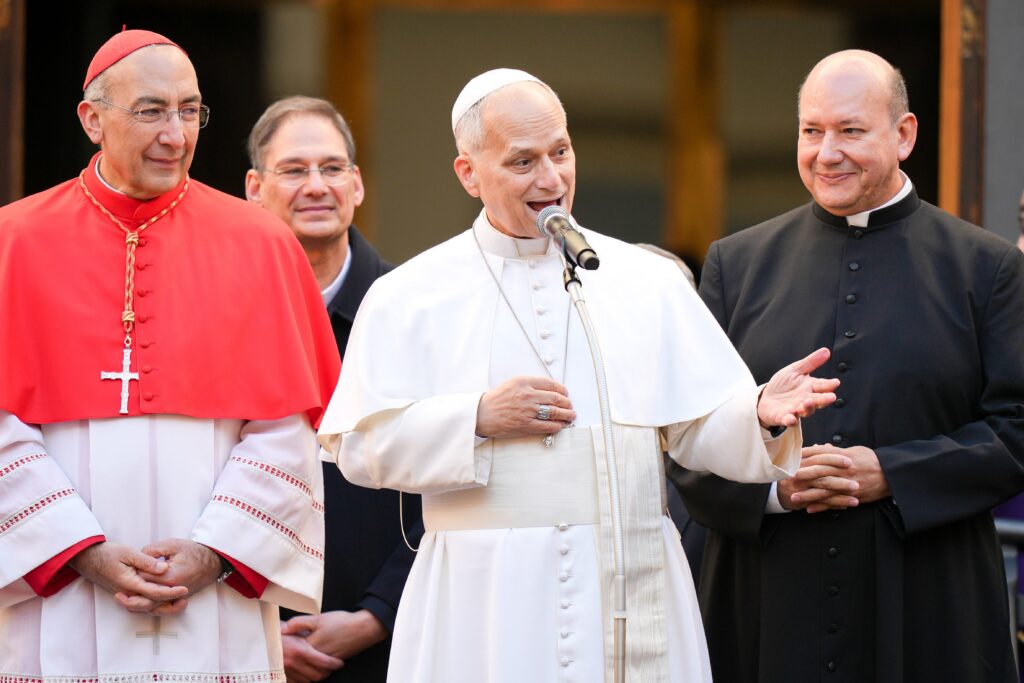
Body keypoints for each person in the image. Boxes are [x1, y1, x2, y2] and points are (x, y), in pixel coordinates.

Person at [317, 68, 840, 682]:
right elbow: (358, 448)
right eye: (522, 162)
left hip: (627, 580)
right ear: (469, 173)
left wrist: (755, 414)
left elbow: (695, 428)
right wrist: (475, 419)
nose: (552, 179)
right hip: (484, 601)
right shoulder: (408, 295)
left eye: (560, 152)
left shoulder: (644, 279)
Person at [671, 49, 1024, 683]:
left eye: (850, 131)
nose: (826, 152)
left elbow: (1016, 431)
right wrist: (776, 487)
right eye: (812, 131)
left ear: (905, 134)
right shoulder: (736, 265)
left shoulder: (986, 268)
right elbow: (682, 438)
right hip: (764, 604)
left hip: (927, 605)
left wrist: (890, 471)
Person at [0, 29, 340, 679]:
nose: (177, 135)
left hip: (213, 608)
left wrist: (215, 550)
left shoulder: (261, 245)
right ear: (91, 119)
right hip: (64, 601)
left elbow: (287, 433)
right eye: (152, 110)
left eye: (190, 110)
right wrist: (77, 548)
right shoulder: (12, 242)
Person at [245, 95, 421, 683]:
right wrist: (258, 627)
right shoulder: (221, 315)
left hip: (396, 642)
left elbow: (456, 476)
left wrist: (377, 615)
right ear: (253, 188)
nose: (316, 185)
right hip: (245, 637)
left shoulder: (414, 311)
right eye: (294, 170)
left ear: (358, 183)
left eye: (332, 167)